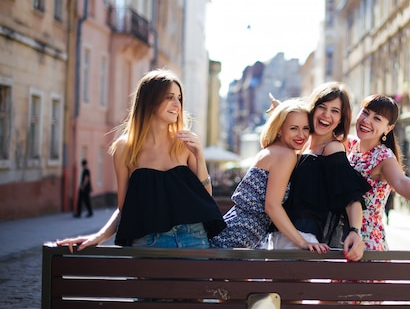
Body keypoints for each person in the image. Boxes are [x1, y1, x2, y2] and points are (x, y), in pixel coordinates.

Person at [57, 69, 225, 251]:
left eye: (179, 98)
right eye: (170, 97)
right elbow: (124, 208)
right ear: (150, 100)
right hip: (149, 243)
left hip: (194, 239)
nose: (177, 104)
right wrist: (99, 236)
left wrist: (199, 157)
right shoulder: (125, 148)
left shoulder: (185, 143)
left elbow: (205, 196)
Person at [209, 99, 327, 254]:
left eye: (306, 128)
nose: (301, 135)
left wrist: (281, 111)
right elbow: (272, 206)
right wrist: (302, 242)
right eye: (294, 128)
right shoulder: (286, 155)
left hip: (236, 231)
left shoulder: (271, 150)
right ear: (279, 129)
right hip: (239, 237)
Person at [269, 82, 369, 262]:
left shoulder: (332, 148)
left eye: (335, 111)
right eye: (322, 107)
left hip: (303, 236)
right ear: (312, 109)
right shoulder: (303, 143)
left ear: (341, 119)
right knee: (278, 290)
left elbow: (350, 195)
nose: (326, 115)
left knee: (294, 290)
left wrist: (355, 231)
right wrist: (281, 110)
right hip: (281, 233)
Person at [347, 94, 410, 251]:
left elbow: (401, 181)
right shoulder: (351, 145)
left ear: (388, 128)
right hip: (343, 238)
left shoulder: (383, 156)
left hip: (366, 242)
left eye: (377, 118)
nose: (367, 120)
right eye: (366, 112)